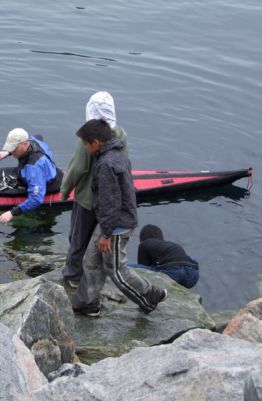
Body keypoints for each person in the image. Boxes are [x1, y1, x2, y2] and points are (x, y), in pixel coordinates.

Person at [71, 119, 167, 316]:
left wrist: (106, 234)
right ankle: (87, 303)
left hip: (116, 225)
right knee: (91, 260)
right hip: (112, 221)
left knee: (114, 269)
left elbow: (111, 201)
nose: (84, 147)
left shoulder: (106, 165)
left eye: (85, 143)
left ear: (96, 142)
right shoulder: (118, 154)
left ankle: (150, 295)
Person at [60, 91, 128, 288]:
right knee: (95, 240)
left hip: (87, 198)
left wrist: (65, 190)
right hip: (109, 199)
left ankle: (73, 275)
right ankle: (92, 276)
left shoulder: (89, 138)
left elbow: (78, 168)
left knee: (78, 237)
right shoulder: (121, 134)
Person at [0, 128, 59, 223]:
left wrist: (11, 213)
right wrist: (8, 152)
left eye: (14, 148)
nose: (12, 151)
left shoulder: (33, 168)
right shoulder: (33, 140)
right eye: (10, 147)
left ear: (25, 144)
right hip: (41, 169)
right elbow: (39, 136)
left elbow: (36, 199)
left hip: (44, 182)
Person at [135, 224, 199, 288]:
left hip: (173, 273)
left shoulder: (144, 244)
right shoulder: (169, 245)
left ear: (141, 240)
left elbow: (142, 271)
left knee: (128, 268)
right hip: (192, 275)